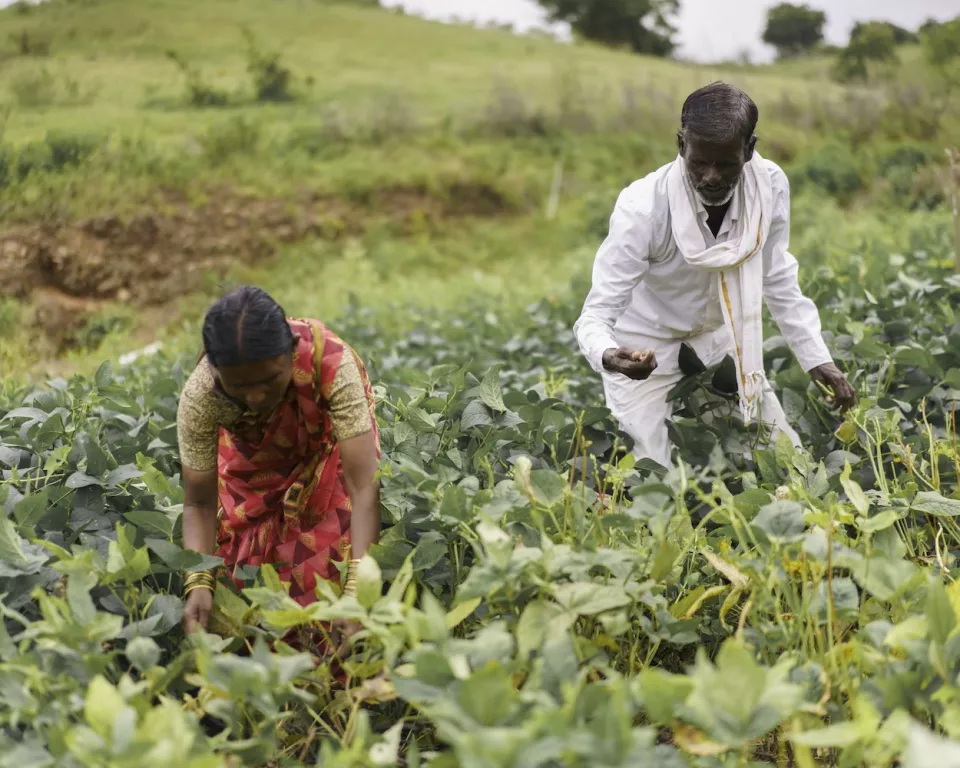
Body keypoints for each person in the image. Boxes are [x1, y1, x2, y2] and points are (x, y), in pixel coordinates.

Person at [573, 82, 855, 468]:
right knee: (653, 473)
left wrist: (815, 357)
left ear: (749, 150)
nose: (710, 177)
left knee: (787, 461)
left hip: (721, 340)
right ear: (681, 145)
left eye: (726, 164)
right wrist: (610, 355)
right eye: (699, 162)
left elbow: (776, 275)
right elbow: (595, 314)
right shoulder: (643, 209)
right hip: (645, 349)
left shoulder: (768, 187)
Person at [176, 285, 380, 655]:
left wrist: (357, 590)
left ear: (292, 352)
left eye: (270, 380)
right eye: (239, 387)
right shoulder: (202, 396)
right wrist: (199, 582)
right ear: (215, 370)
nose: (255, 397)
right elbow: (199, 504)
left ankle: (337, 674)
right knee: (249, 583)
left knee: (326, 563)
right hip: (253, 473)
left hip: (325, 456)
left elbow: (364, 487)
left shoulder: (329, 362)